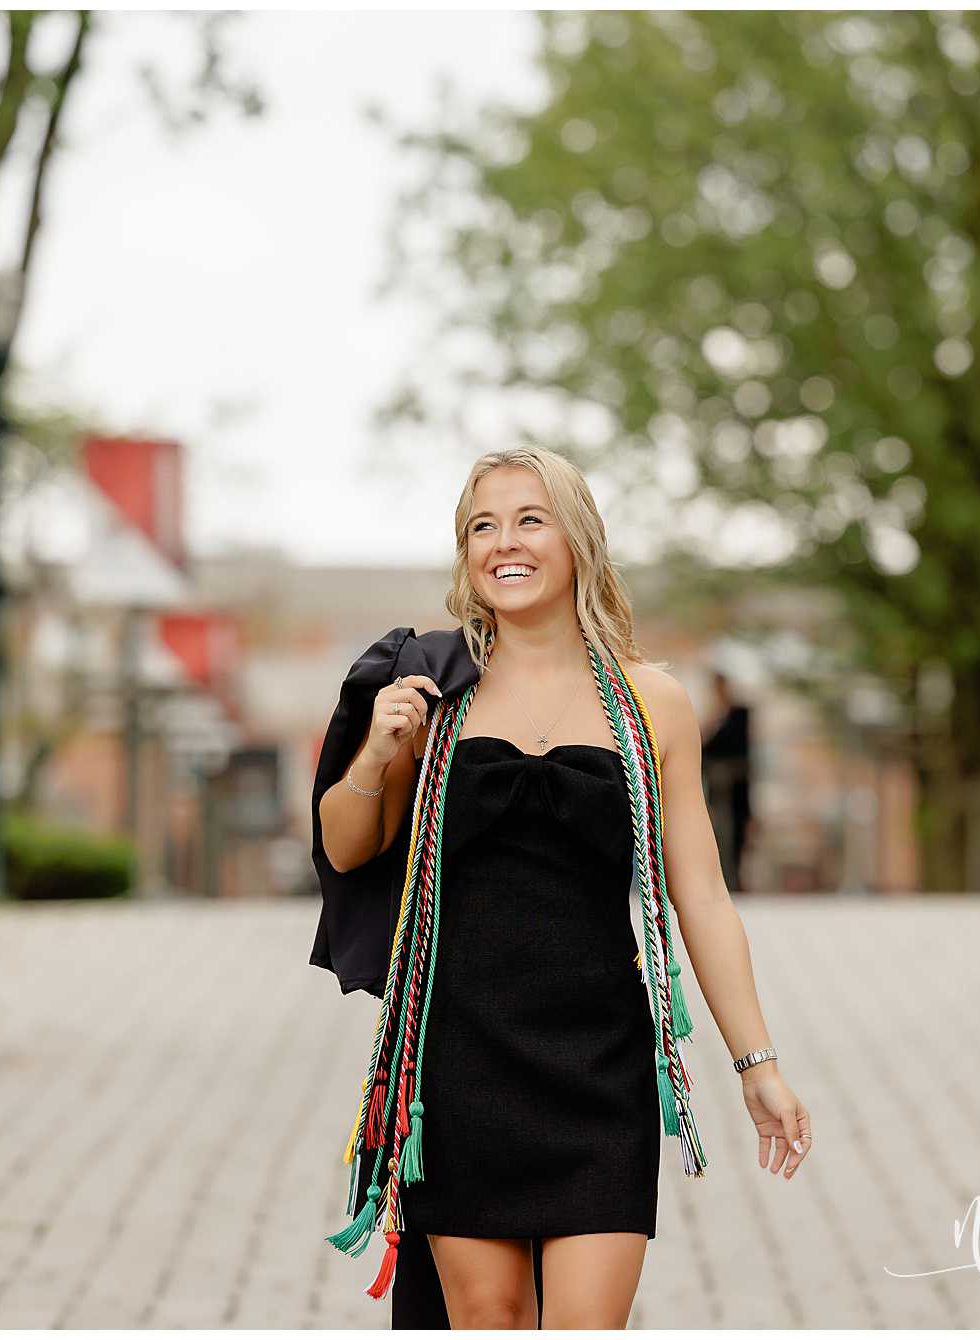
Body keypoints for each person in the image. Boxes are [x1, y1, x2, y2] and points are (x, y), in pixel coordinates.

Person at [309, 446, 813, 1328]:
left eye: (529, 518)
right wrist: (379, 752)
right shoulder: (432, 685)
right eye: (482, 525)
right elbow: (347, 850)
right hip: (457, 1061)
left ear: (578, 538)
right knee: (490, 1317)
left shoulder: (651, 701)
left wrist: (756, 1065)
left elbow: (700, 896)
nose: (505, 541)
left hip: (599, 1064)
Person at [700, 671, 754, 892]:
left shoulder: (739, 713)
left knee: (736, 830)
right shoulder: (714, 717)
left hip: (735, 785)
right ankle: (725, 876)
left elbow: (735, 744)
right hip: (717, 783)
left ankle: (736, 877)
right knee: (719, 830)